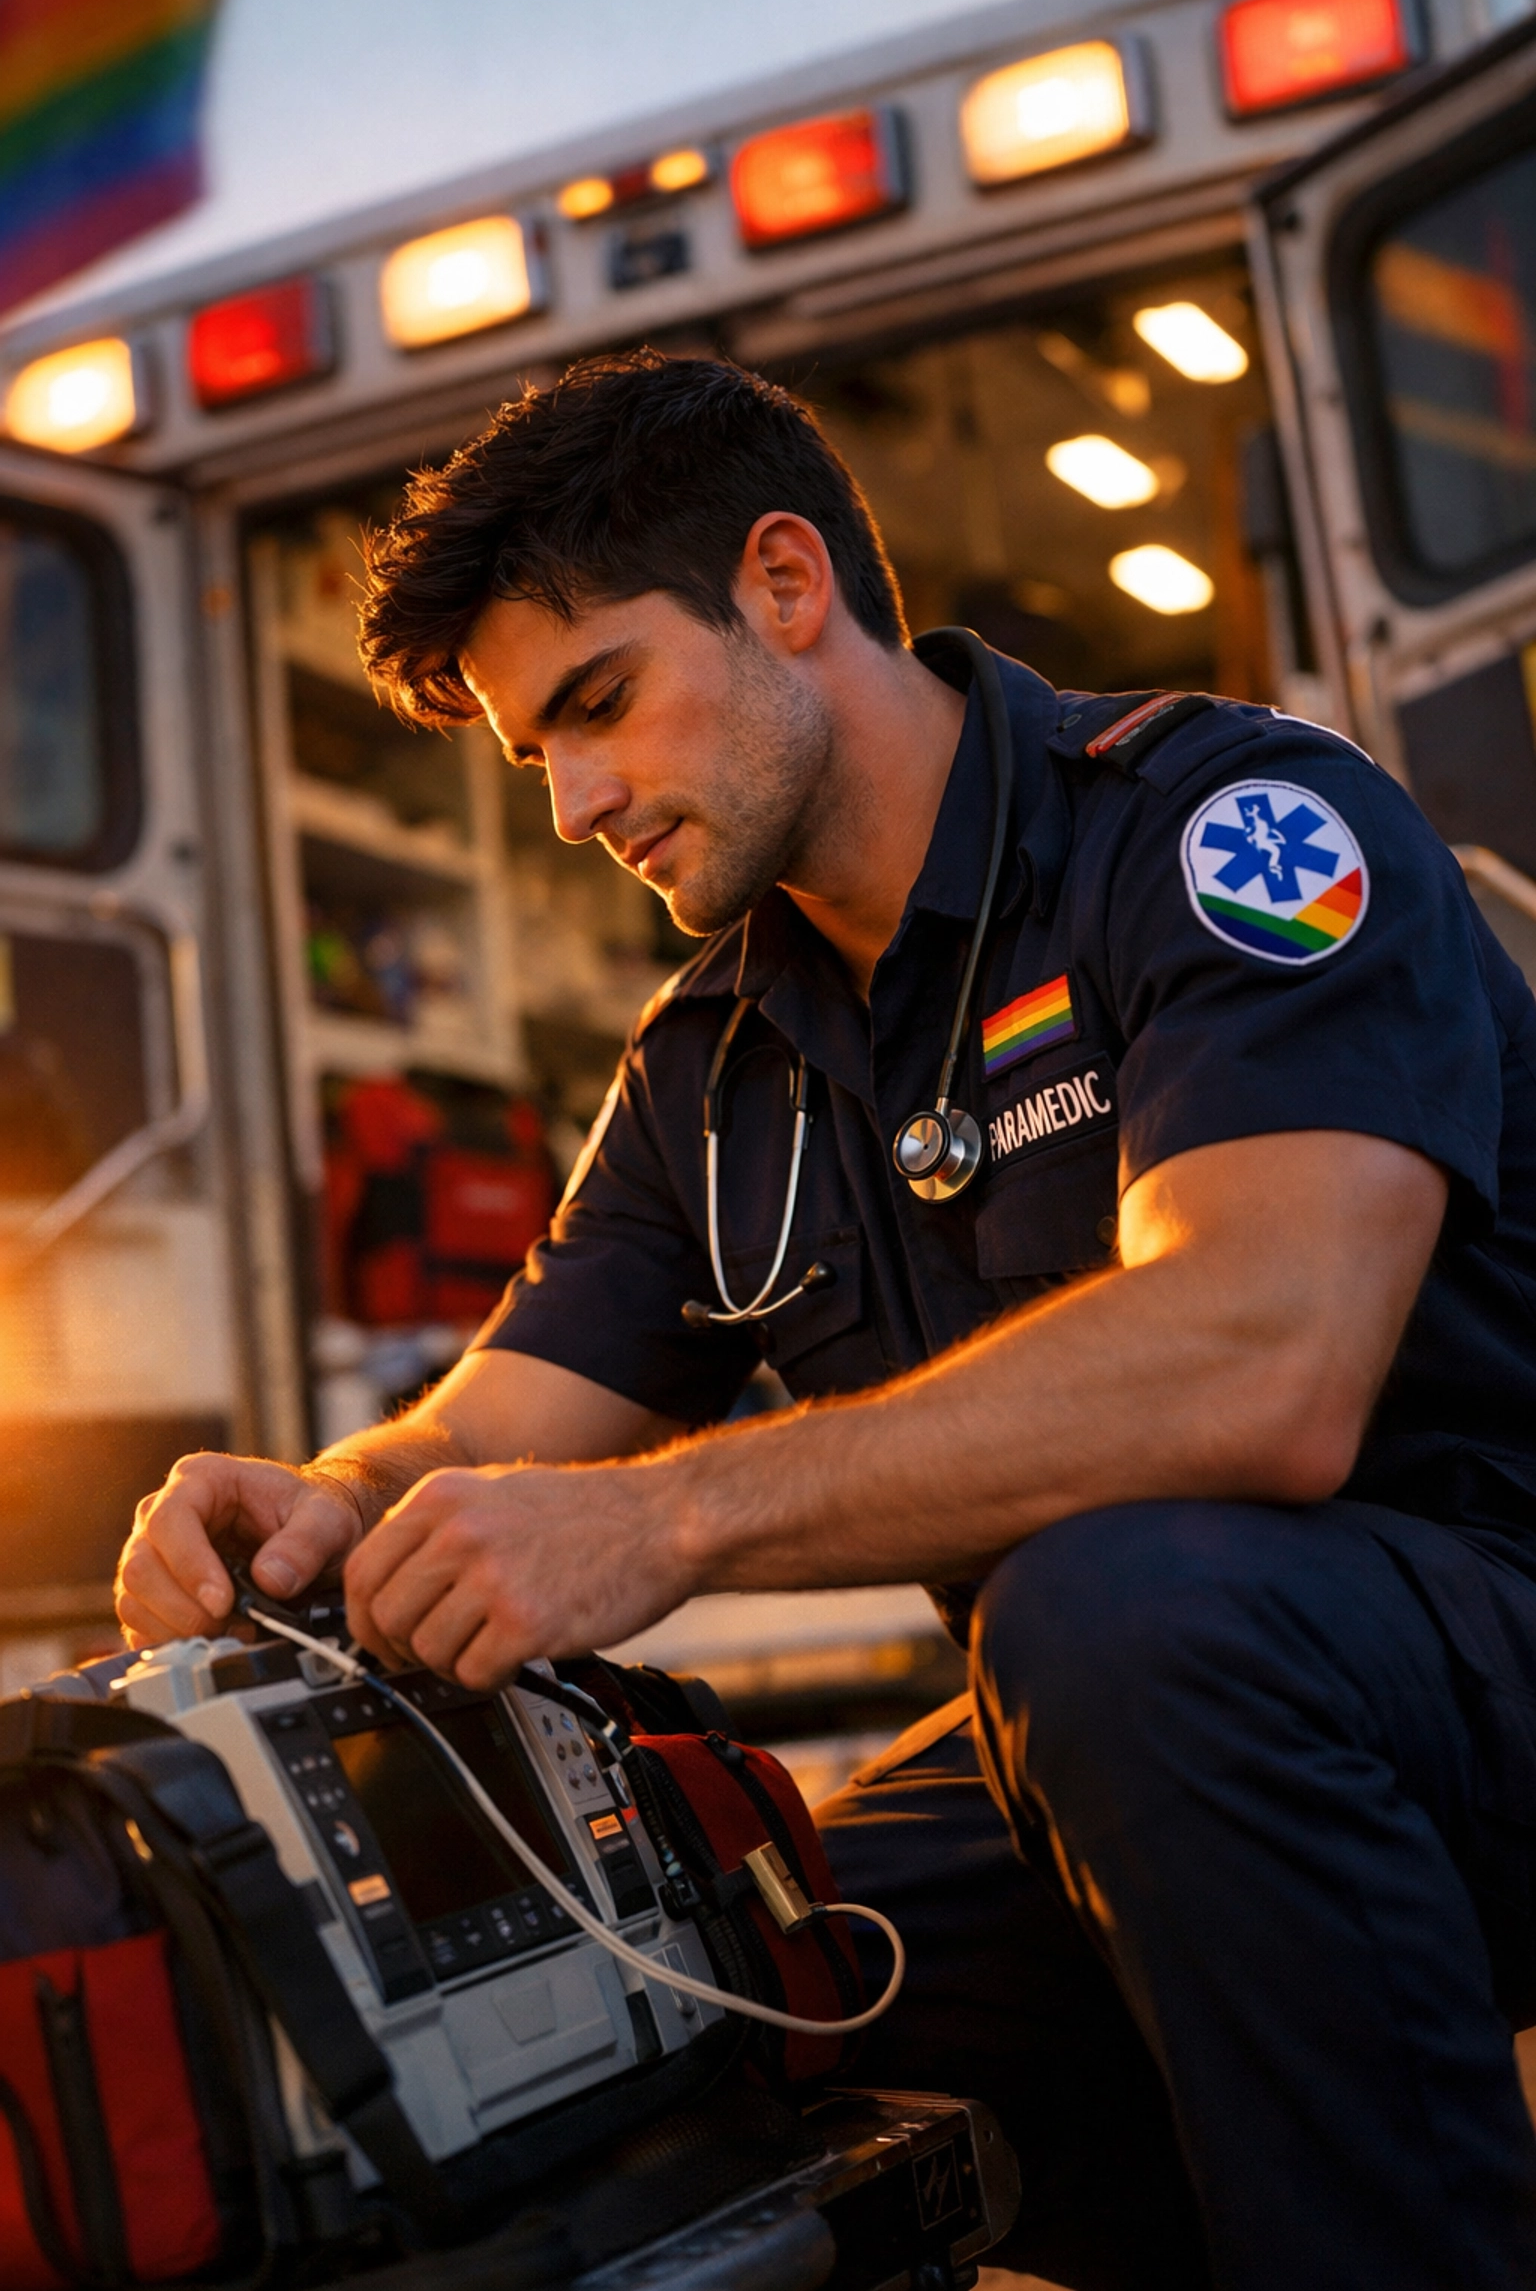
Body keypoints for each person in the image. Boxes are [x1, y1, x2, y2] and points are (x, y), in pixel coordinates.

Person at [115, 351, 1536, 2290]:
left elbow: (1263, 1359)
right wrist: (309, 1507)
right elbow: (479, 1432)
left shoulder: (1229, 828)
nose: (580, 804)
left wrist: (672, 1519)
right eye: (538, 757)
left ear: (788, 585)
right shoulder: (715, 1061)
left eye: (599, 703)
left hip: (1471, 1643)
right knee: (772, 1979)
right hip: (1148, 1736)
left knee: (1123, 1613)